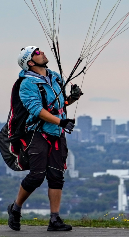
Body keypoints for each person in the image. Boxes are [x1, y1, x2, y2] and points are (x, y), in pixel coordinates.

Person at [7, 46, 83, 231]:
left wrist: (72, 98)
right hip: (37, 133)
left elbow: (59, 103)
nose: (41, 53)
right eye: (37, 53)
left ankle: (54, 220)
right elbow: (37, 110)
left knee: (57, 175)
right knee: (37, 176)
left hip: (56, 132)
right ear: (30, 62)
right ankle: (15, 209)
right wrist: (61, 122)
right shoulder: (27, 84)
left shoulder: (55, 77)